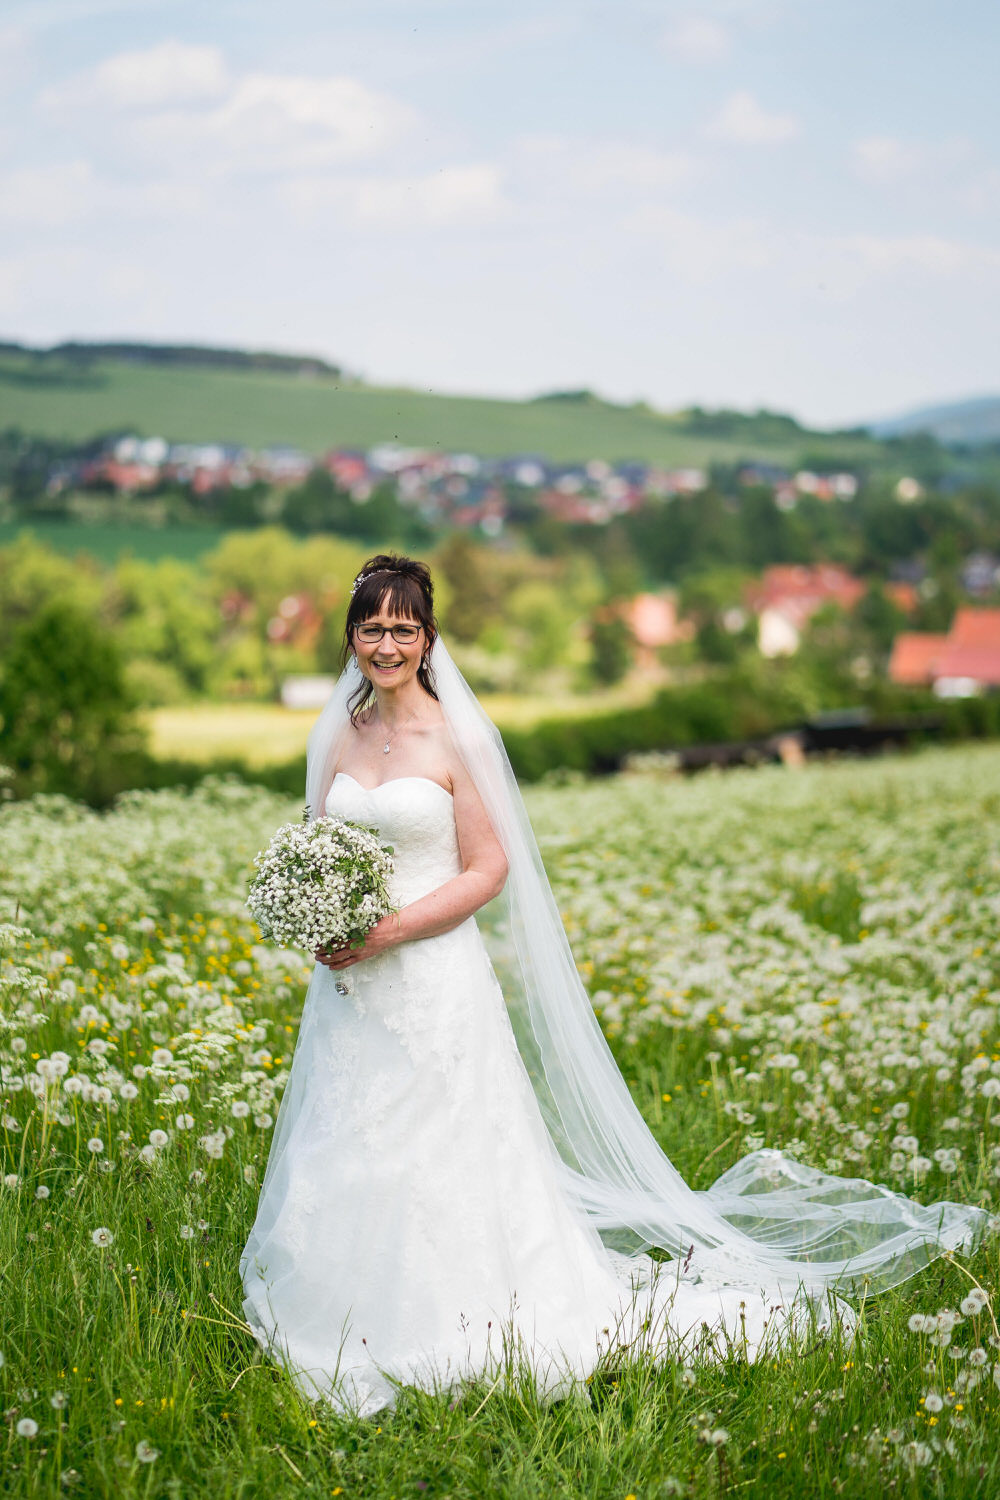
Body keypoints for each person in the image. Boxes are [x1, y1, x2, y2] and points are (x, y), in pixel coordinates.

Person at [240, 553, 989, 1417]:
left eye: (403, 628)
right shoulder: (335, 733)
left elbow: (489, 869)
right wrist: (318, 915)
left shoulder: (456, 737)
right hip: (349, 985)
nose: (386, 643)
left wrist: (391, 930)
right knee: (349, 1128)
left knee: (437, 1142)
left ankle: (453, 1318)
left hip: (429, 974)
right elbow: (316, 845)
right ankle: (333, 1306)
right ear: (351, 637)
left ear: (428, 637)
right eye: (370, 627)